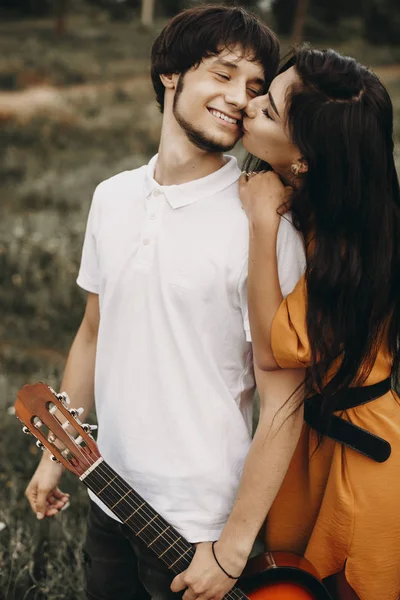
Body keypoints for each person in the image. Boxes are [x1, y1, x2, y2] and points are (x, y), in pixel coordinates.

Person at [25, 6, 307, 600]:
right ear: (171, 74)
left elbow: (284, 404)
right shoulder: (113, 197)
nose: (239, 98)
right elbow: (94, 331)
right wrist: (59, 451)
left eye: (255, 87)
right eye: (224, 74)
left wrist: (231, 549)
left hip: (199, 525)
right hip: (108, 490)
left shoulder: (264, 222)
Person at [239, 47, 400, 600]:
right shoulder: (334, 201)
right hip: (309, 441)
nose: (249, 105)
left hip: (358, 456)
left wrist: (263, 223)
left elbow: (276, 347)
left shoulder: (348, 240)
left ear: (304, 157)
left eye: (266, 111)